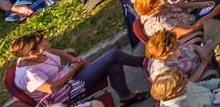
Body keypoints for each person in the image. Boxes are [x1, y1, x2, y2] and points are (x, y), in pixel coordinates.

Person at [9, 32, 147, 107]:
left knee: (113, 65)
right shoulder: (28, 74)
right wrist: (73, 70)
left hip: (71, 77)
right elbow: (53, 88)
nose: (48, 39)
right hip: (66, 90)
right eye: (44, 41)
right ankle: (146, 62)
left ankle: (126, 97)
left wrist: (72, 60)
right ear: (33, 53)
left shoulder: (33, 54)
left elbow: (55, 52)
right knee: (113, 54)